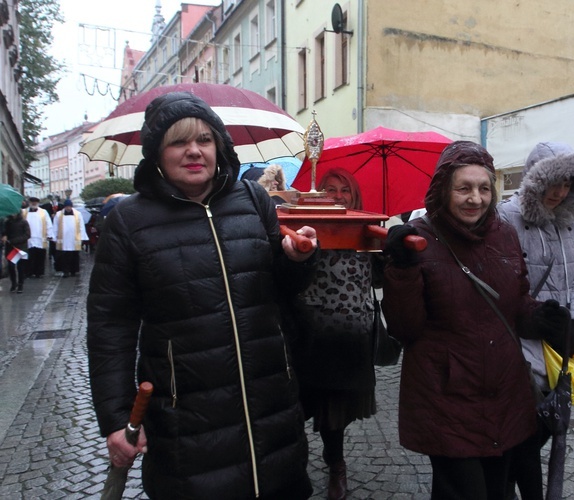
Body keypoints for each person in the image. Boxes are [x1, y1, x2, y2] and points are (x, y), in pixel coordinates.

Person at [86, 92, 318, 499]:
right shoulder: (129, 220)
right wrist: (114, 417)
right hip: (185, 415)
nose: (194, 151)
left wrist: (296, 260)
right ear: (157, 153)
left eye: (205, 140)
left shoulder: (253, 200)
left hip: (269, 403)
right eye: (178, 141)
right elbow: (110, 325)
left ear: (219, 146)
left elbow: (280, 293)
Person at [381, 141, 569, 500]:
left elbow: (516, 305)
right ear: (443, 190)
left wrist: (543, 318)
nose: (475, 199)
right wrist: (401, 270)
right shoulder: (419, 241)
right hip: (448, 397)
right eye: (463, 188)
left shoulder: (504, 235)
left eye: (484, 189)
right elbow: (406, 328)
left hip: (505, 394)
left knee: (498, 491)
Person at [498, 141, 574, 498]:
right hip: (518, 346)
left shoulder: (570, 225)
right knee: (523, 433)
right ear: (534, 180)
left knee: (543, 426)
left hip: (558, 349)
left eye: (569, 184)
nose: (560, 193)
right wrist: (526, 317)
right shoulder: (505, 217)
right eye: (553, 183)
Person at [288, 167, 378, 500]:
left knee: (334, 412)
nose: (338, 196)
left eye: (344, 190)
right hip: (308, 333)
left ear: (354, 196)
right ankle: (293, 464)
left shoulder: (368, 232)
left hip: (349, 336)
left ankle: (336, 464)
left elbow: (380, 279)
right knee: (298, 404)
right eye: (330, 189)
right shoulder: (306, 229)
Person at [51, 199, 88, 277]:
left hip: (74, 238)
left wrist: (82, 237)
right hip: (64, 239)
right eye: (67, 207)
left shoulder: (78, 214)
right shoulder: (59, 214)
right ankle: (66, 271)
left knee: (74, 255)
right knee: (64, 256)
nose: (68, 208)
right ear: (64, 207)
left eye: (69, 207)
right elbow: (55, 226)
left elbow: (81, 226)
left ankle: (74, 271)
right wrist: (54, 237)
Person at [2, 205, 31, 293]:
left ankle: (20, 284)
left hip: (20, 248)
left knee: (20, 267)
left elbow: (27, 235)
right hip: (10, 247)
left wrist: (14, 241)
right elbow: (4, 232)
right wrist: (4, 236)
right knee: (11, 266)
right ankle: (14, 283)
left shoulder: (24, 222)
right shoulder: (8, 222)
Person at [23, 196, 53, 277]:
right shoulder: (24, 212)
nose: (33, 203)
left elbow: (48, 223)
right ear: (29, 203)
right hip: (29, 238)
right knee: (29, 256)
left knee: (40, 256)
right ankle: (28, 272)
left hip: (40, 237)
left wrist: (49, 234)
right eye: (32, 202)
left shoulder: (43, 212)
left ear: (37, 203)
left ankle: (39, 273)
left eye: (35, 202)